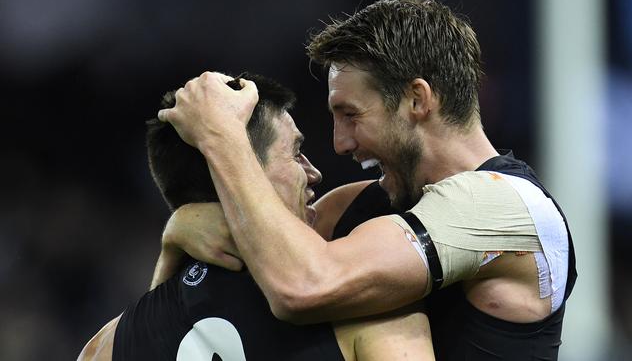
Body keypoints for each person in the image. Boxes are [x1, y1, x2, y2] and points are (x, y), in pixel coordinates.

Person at [156, 0, 577, 360]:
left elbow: (302, 285)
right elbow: (203, 306)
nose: (340, 143)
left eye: (351, 115)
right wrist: (179, 232)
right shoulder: (358, 205)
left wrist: (222, 137)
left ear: (417, 100)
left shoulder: (507, 209)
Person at [77, 74, 435, 361]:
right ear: (239, 167)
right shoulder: (366, 307)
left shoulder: (103, 348)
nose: (314, 173)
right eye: (296, 153)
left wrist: (174, 245)